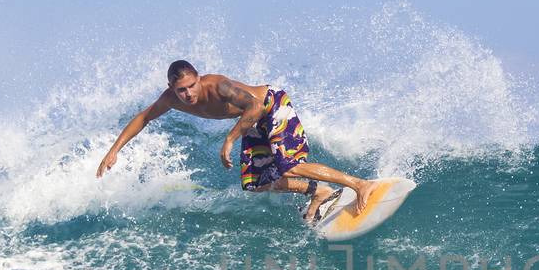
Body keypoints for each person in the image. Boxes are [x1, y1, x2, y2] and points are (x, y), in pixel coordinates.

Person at [96, 60, 375, 222]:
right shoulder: (170, 100)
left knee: (288, 166)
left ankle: (359, 184)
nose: (189, 94)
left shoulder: (218, 86)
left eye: (192, 85)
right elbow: (143, 117)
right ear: (172, 89)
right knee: (256, 183)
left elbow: (253, 106)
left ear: (199, 78)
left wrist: (230, 140)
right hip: (252, 120)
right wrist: (114, 151)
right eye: (181, 90)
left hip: (270, 105)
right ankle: (318, 192)